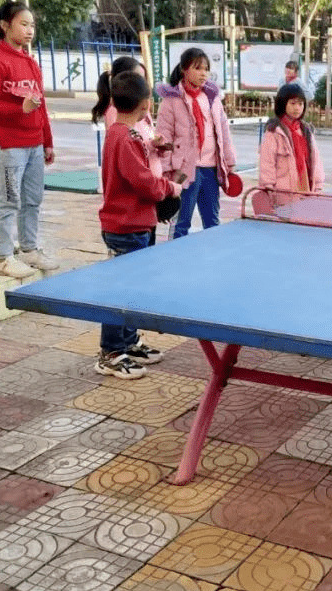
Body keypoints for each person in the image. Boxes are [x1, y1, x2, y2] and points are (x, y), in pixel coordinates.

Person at [96, 71, 182, 379]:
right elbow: (143, 183)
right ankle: (110, 351)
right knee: (120, 289)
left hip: (137, 223)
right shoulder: (125, 137)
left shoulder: (126, 133)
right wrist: (170, 188)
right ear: (146, 103)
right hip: (125, 226)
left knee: (133, 287)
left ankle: (128, 341)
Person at [0, 0, 59, 279]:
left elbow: (42, 106)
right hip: (9, 145)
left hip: (34, 145)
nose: (29, 30)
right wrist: (19, 108)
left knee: (33, 200)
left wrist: (47, 141)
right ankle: (3, 256)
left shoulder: (31, 63)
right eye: (23, 24)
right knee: (8, 201)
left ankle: (29, 249)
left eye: (32, 25)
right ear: (5, 26)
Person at [155, 48, 237, 239]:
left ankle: (213, 261)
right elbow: (164, 137)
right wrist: (168, 170)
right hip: (183, 171)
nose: (203, 73)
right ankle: (177, 260)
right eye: (198, 68)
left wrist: (229, 160)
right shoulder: (171, 100)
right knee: (181, 222)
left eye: (206, 69)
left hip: (210, 169)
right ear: (184, 69)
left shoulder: (212, 97)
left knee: (212, 222)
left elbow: (223, 130)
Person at [92, 56, 168, 244]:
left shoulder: (134, 120)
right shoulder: (120, 122)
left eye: (143, 79)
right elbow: (135, 172)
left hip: (143, 207)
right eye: (137, 78)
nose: (140, 83)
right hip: (132, 216)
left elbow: (139, 147)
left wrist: (154, 145)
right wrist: (167, 188)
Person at [259, 82, 325, 196]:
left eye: (300, 104)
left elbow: (315, 160)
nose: (297, 108)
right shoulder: (275, 131)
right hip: (283, 194)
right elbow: (267, 163)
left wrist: (318, 186)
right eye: (293, 103)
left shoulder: (306, 130)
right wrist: (268, 189)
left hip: (306, 190)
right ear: (283, 104)